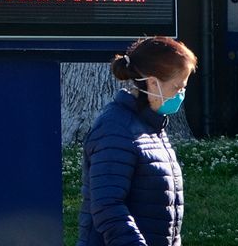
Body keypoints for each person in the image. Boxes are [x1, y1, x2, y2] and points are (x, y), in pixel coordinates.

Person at [77, 36, 198, 246]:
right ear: (153, 83)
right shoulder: (115, 129)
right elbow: (108, 206)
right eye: (177, 87)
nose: (181, 94)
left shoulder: (152, 127)